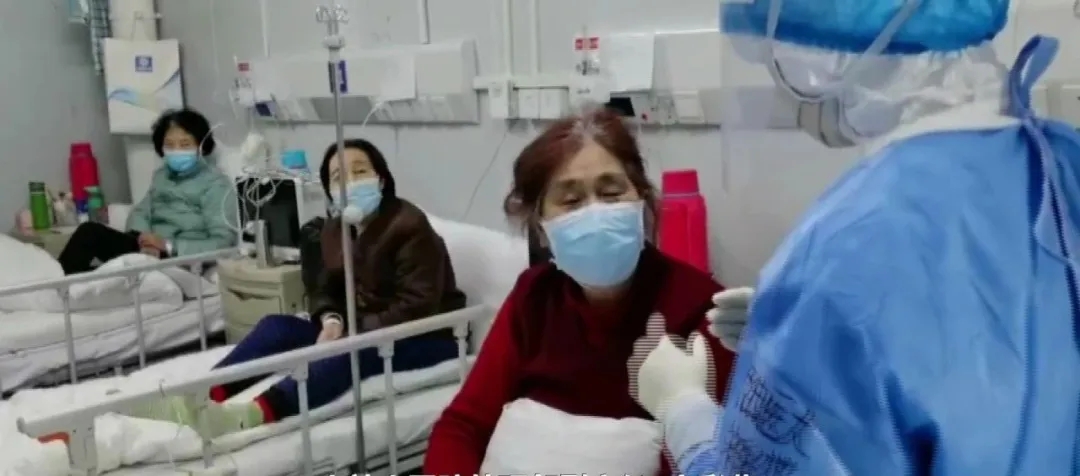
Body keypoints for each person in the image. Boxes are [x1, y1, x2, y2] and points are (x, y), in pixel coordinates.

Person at [630, 0, 1080, 474]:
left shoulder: (847, 248)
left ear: (822, 58)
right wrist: (811, 336)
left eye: (773, 58)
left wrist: (684, 409)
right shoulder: (1058, 164)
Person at [423, 108, 737, 475]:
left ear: (642, 203)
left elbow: (712, 457)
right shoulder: (534, 297)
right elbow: (463, 427)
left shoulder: (700, 310)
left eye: (611, 193)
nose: (595, 213)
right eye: (571, 201)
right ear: (541, 227)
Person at [127, 138, 466, 438]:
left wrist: (354, 333)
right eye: (338, 177)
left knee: (348, 354)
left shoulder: (409, 225)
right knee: (277, 327)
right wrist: (331, 320)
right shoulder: (335, 229)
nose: (351, 182)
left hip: (423, 337)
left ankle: (249, 415)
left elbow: (418, 303)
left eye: (361, 171)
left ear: (381, 178)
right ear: (330, 191)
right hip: (361, 328)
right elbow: (325, 288)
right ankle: (204, 394)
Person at [57, 108, 235, 274]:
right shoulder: (162, 177)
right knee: (88, 235)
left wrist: (168, 245)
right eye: (170, 145)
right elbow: (141, 212)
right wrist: (143, 239)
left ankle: (60, 288)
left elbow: (223, 243)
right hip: (147, 250)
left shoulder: (215, 185)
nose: (176, 151)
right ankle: (57, 285)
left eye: (185, 144)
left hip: (178, 257)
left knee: (94, 260)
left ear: (202, 146)